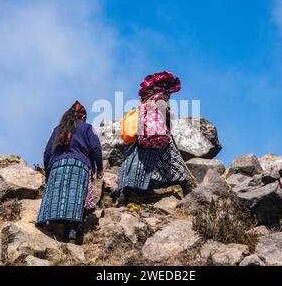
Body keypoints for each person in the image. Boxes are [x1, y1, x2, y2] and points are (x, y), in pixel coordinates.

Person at [117, 72, 192, 204]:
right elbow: (164, 112)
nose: (169, 96)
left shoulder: (144, 102)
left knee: (138, 165)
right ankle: (187, 190)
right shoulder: (160, 98)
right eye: (169, 92)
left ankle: (125, 196)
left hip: (143, 138)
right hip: (161, 137)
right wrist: (170, 115)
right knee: (174, 162)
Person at [36, 101, 103, 243]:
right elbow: (96, 148)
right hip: (79, 166)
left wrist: (48, 171)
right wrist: (99, 167)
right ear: (82, 117)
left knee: (55, 196)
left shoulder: (58, 129)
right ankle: (72, 234)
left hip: (58, 166)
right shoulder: (87, 128)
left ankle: (46, 224)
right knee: (75, 199)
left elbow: (47, 152)